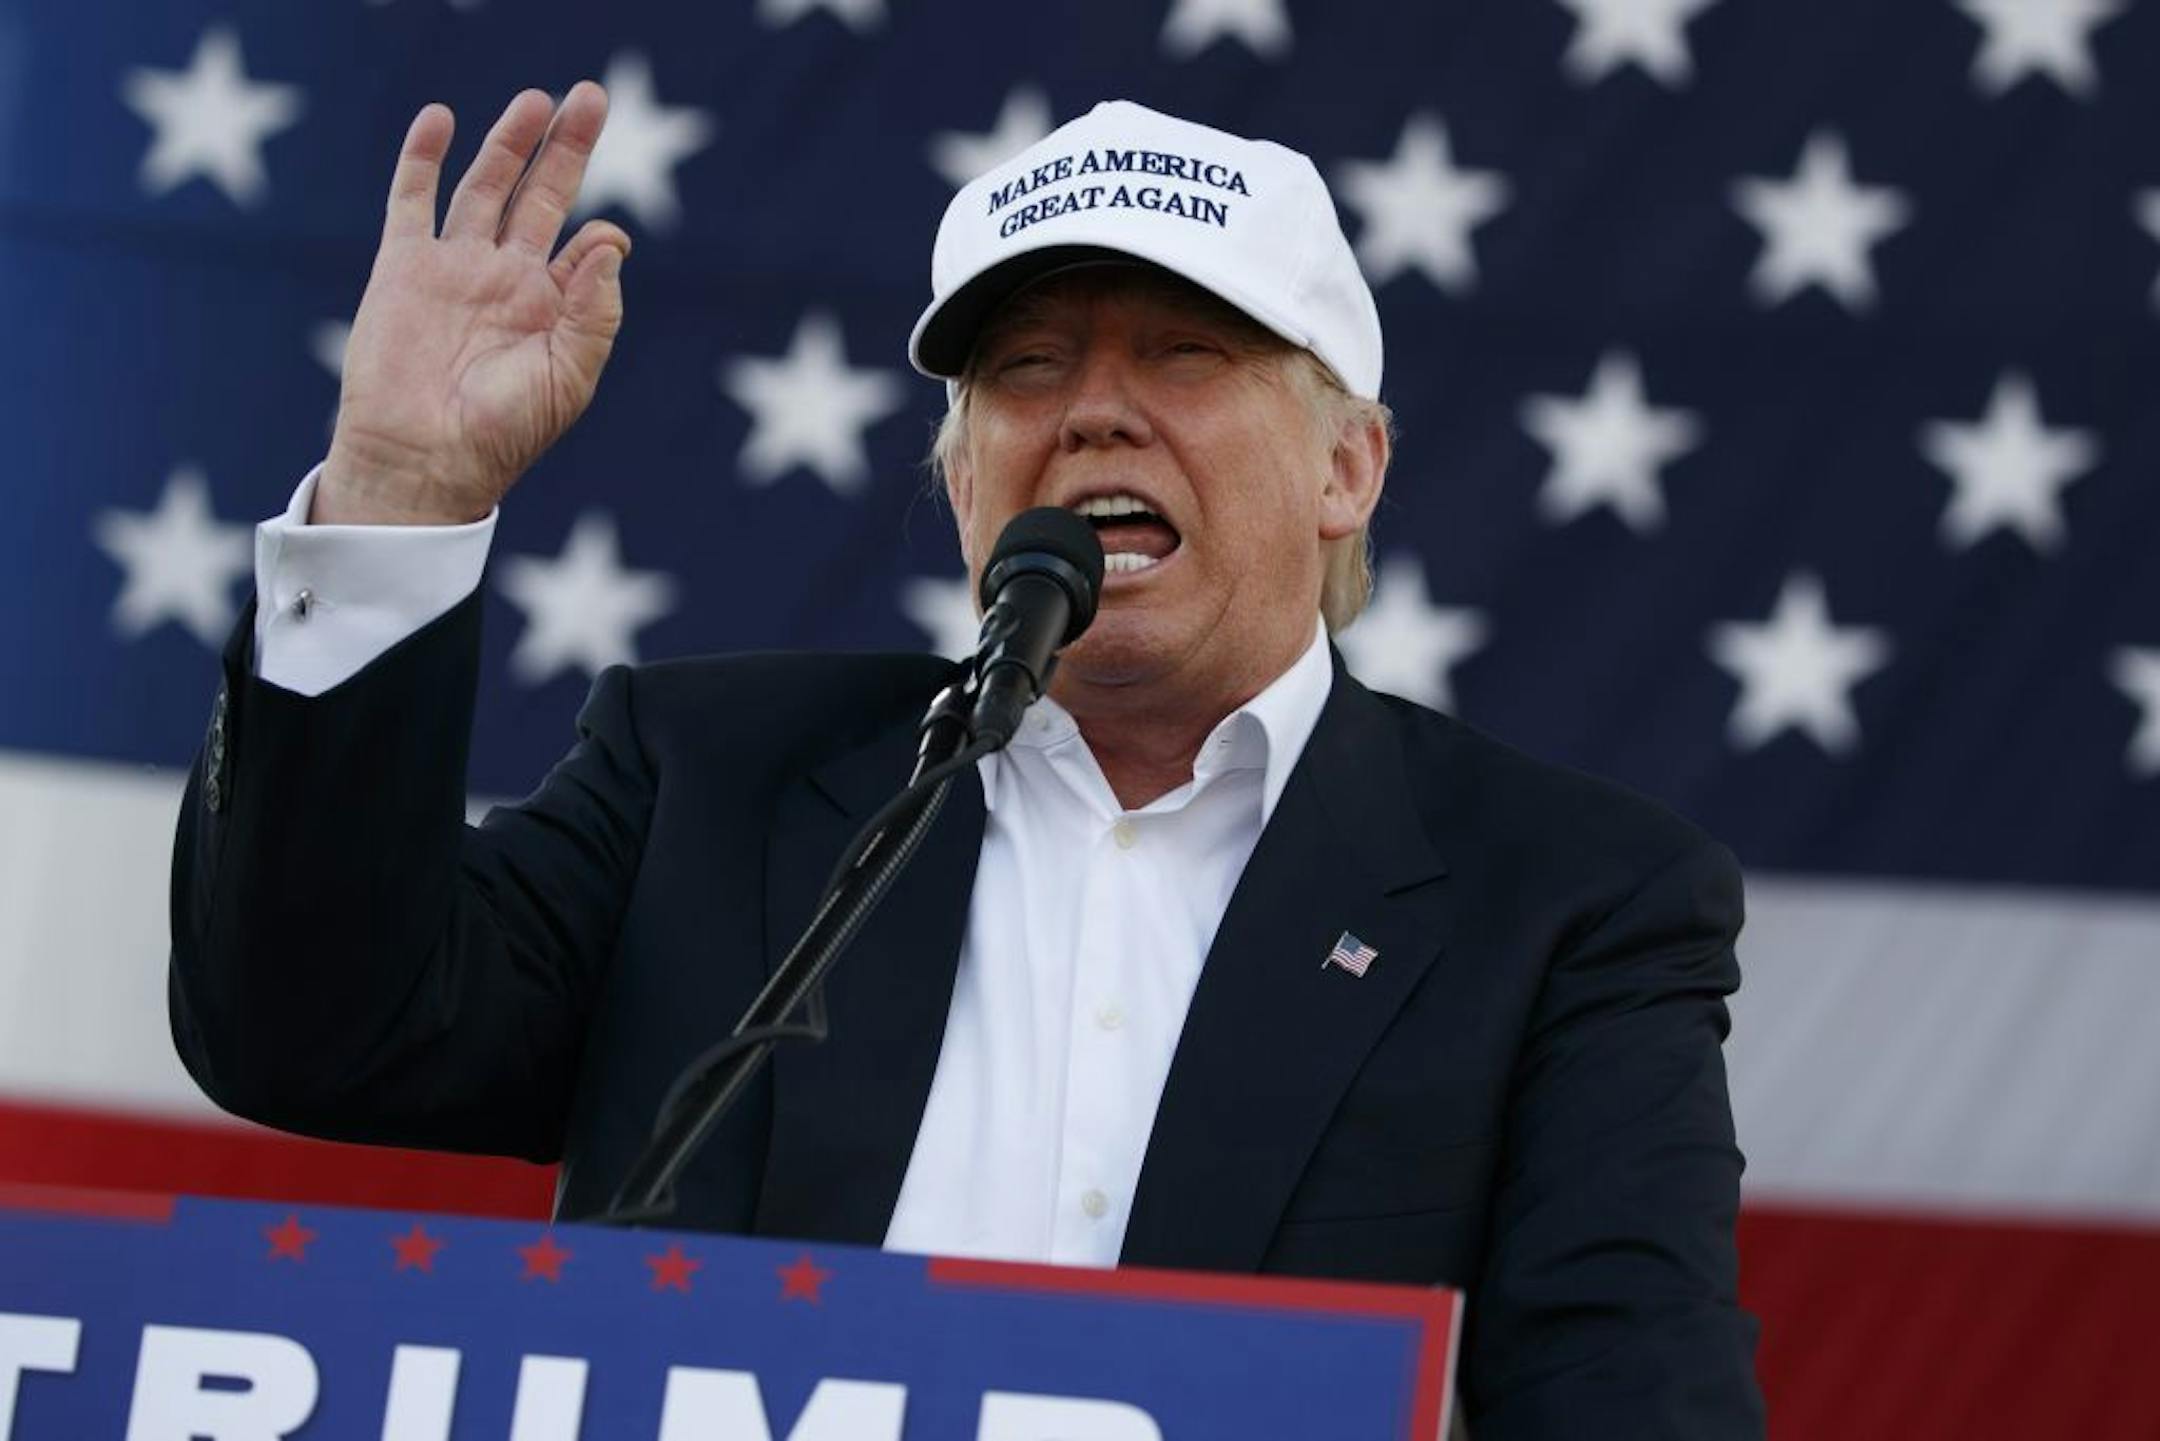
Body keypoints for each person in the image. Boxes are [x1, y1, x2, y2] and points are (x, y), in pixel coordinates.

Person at [169, 84, 1765, 1436]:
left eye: (1187, 356)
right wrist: (394, 490)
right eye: (1026, 368)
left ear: (1347, 466)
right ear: (960, 481)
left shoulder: (1567, 906)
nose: (1095, 415)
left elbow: (1631, 1395)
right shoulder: (707, 779)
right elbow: (314, 1029)